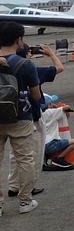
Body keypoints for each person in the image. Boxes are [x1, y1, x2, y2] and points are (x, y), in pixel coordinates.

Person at [7, 41, 64, 197]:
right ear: (25, 55)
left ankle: (13, 186)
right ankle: (28, 189)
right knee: (32, 154)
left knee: (14, 154)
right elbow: (59, 68)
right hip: (30, 116)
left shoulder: (5, 67)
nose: (31, 55)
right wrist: (51, 54)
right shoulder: (31, 69)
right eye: (29, 52)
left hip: (8, 114)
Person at [0, 22, 42, 215]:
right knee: (25, 159)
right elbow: (36, 96)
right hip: (20, 117)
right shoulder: (26, 64)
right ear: (19, 40)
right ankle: (25, 201)